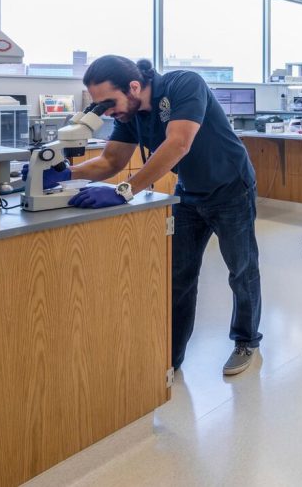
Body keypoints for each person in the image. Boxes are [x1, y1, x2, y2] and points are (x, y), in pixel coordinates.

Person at [31, 56, 262, 377]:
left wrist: (125, 191)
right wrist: (65, 173)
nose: (107, 111)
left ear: (134, 86)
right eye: (101, 107)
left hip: (230, 187)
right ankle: (171, 355)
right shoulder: (129, 114)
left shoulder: (184, 85)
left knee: (241, 270)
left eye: (108, 103)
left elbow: (179, 143)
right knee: (178, 276)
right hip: (190, 191)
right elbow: (110, 160)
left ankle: (246, 341)